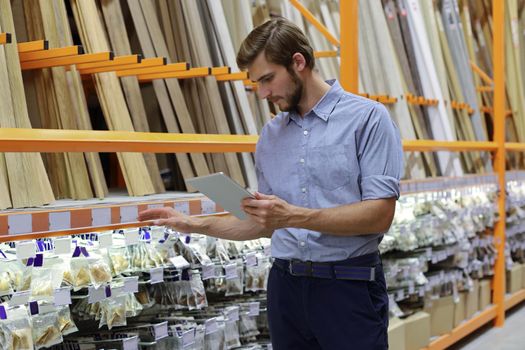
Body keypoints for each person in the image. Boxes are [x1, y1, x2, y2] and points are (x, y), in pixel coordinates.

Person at [139, 17, 403, 350]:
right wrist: (191, 223)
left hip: (347, 287)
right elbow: (264, 224)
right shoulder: (271, 136)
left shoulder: (368, 119)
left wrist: (292, 216)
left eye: (268, 79)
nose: (264, 93)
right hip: (285, 289)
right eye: (257, 84)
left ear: (298, 62)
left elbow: (379, 215)